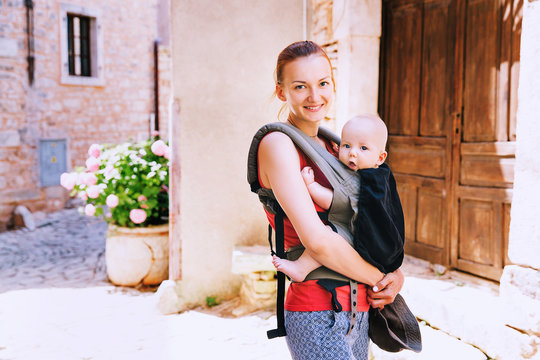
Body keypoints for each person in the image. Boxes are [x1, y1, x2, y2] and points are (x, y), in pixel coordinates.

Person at [254, 40, 404, 360]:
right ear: (281, 92)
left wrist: (395, 273)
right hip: (317, 309)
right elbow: (319, 241)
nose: (314, 96)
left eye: (323, 83)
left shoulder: (337, 147)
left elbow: (373, 213)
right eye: (299, 87)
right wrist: (381, 280)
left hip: (359, 307)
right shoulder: (277, 144)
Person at [272, 114, 404, 283]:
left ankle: (300, 268)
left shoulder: (365, 182)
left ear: (380, 157)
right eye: (347, 146)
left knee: (330, 233)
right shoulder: (381, 175)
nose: (352, 154)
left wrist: (312, 187)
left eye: (363, 148)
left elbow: (335, 201)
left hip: (367, 244)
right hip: (384, 247)